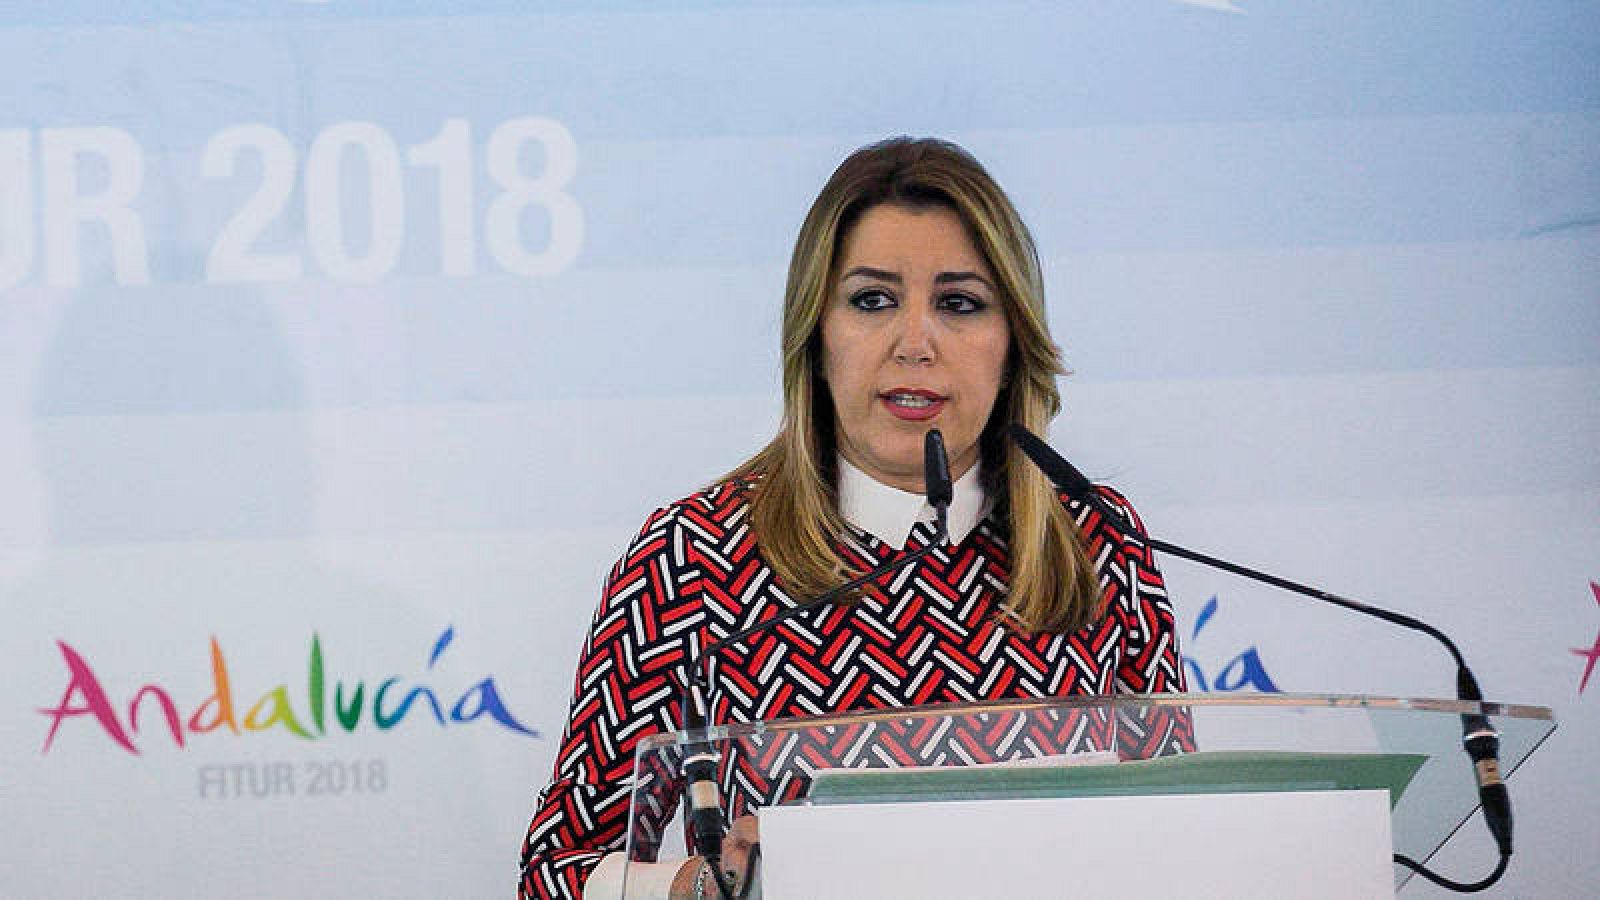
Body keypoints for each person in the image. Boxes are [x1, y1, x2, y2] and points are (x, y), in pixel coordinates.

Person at [518, 137, 1190, 900]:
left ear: (1013, 343)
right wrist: (711, 887)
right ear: (815, 334)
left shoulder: (1097, 541)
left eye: (959, 303)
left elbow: (1180, 840)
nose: (915, 344)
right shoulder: (692, 556)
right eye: (873, 300)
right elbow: (556, 875)